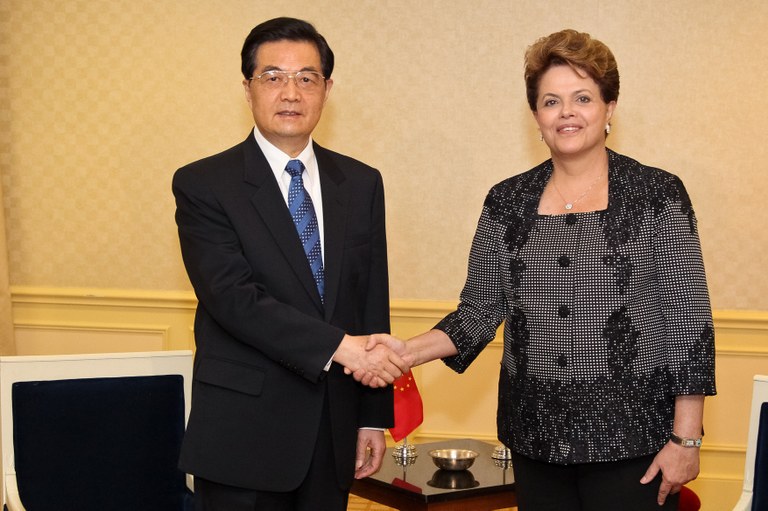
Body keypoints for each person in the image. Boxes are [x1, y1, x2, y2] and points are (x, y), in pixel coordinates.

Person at [360, 29, 716, 510]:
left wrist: (686, 439)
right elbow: (480, 310)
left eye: (582, 98)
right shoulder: (507, 201)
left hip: (634, 441)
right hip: (534, 440)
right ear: (536, 117)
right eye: (551, 101)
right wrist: (406, 352)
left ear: (609, 107)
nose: (566, 112)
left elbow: (688, 321)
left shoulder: (656, 194)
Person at [172, 17, 406, 511]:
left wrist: (372, 417)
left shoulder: (360, 183)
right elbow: (233, 299)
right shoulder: (204, 184)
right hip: (244, 434)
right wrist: (342, 348)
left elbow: (370, 299)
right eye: (273, 77)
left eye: (306, 78)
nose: (291, 93)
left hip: (333, 428)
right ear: (248, 89)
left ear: (326, 90)